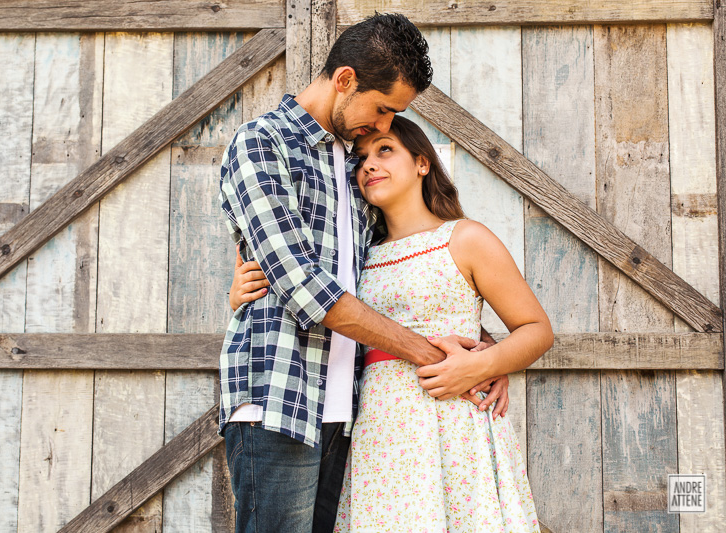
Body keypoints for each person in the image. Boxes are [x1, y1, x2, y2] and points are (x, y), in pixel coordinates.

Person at [218, 13, 509, 533]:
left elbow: (393, 272)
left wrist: (478, 349)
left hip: (351, 410)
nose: (383, 125)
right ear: (346, 79)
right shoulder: (261, 144)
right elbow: (305, 287)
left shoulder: (357, 166)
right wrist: (434, 355)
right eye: (383, 109)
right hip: (280, 398)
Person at [231, 115, 553, 531]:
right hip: (378, 431)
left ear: (423, 163)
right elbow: (325, 301)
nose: (368, 164)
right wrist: (240, 291)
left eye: (385, 150)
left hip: (453, 424)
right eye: (361, 158)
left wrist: (486, 364)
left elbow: (535, 329)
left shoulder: (465, 238)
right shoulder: (360, 254)